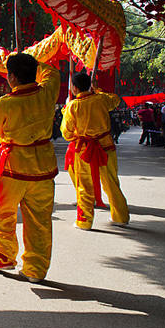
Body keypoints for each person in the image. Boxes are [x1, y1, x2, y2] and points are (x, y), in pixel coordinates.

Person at [0, 53, 59, 283]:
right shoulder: (48, 93)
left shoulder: (4, 103)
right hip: (43, 167)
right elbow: (52, 73)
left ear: (12, 77)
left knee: (4, 215)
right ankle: (35, 270)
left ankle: (5, 258)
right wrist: (33, 61)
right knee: (40, 220)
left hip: (13, 167)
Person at [60, 72, 129, 230]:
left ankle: (84, 221)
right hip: (105, 146)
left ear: (75, 88)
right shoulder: (101, 99)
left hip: (84, 150)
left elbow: (66, 133)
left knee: (84, 185)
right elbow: (115, 100)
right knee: (111, 182)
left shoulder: (72, 106)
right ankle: (121, 216)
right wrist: (99, 91)